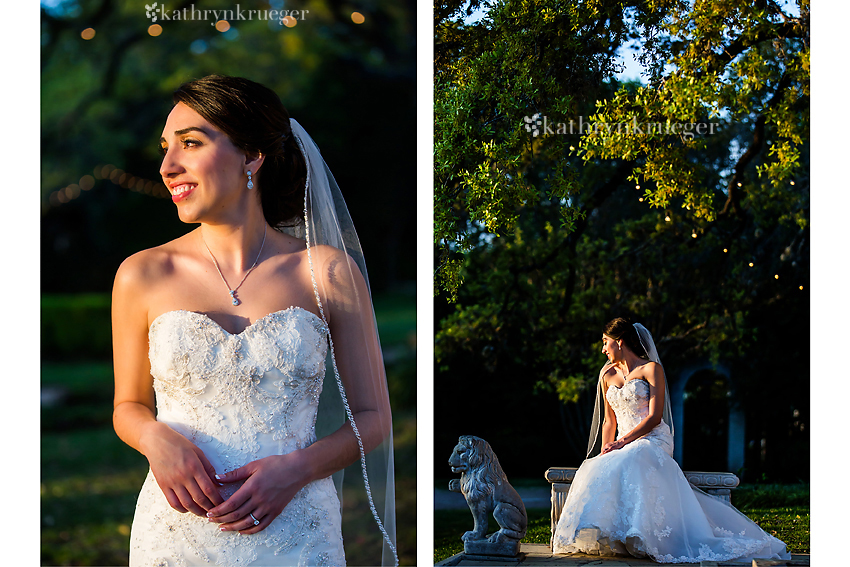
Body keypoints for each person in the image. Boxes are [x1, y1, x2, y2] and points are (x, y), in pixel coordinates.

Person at [112, 75, 397, 567]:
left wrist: (296, 470)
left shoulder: (327, 272)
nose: (167, 166)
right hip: (178, 531)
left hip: (298, 529)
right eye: (165, 148)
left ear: (251, 156)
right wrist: (156, 438)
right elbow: (128, 405)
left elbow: (373, 420)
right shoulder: (142, 273)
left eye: (190, 143)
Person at [552, 318, 789, 563]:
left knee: (636, 454)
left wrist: (622, 443)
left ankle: (646, 537)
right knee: (596, 466)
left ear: (620, 342)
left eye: (606, 342)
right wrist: (606, 450)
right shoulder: (607, 375)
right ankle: (619, 536)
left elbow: (655, 417)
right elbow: (609, 422)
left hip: (652, 439)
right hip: (623, 444)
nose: (603, 349)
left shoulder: (651, 369)